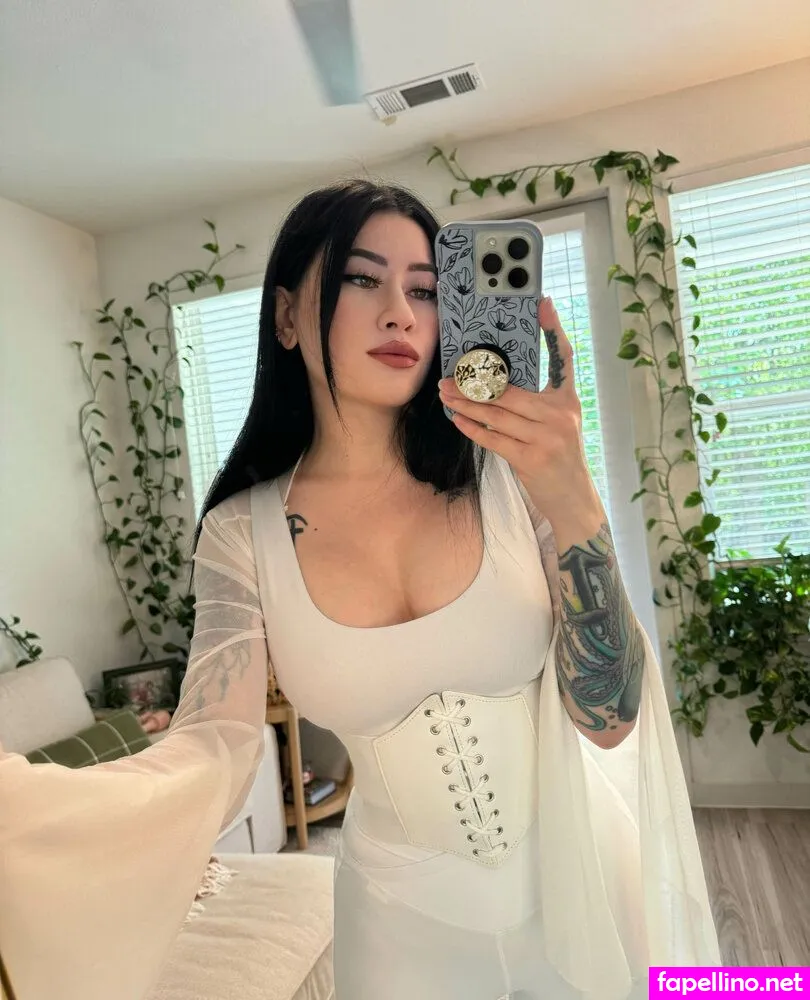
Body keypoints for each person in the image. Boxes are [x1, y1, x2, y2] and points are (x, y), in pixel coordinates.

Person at [0, 179, 719, 1000]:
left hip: (581, 881)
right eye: (361, 278)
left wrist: (572, 493)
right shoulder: (241, 535)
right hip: (401, 931)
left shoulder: (509, 476)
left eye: (425, 289)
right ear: (286, 316)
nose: (401, 314)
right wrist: (51, 805)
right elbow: (219, 742)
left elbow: (611, 719)